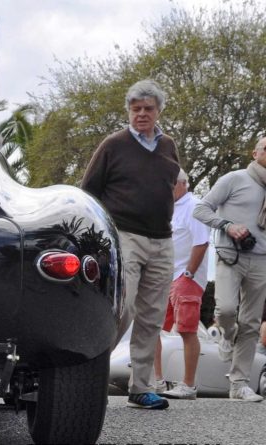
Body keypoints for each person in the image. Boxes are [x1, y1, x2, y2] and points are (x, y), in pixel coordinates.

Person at [81, 79, 181, 410]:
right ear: (128, 110)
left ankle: (141, 387)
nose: (141, 114)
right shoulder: (113, 144)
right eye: (135, 108)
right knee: (122, 309)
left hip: (162, 239)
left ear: (158, 111)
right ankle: (85, 376)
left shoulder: (168, 146)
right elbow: (88, 192)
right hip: (124, 236)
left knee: (153, 317)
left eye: (147, 108)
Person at [193, 136, 266, 402]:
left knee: (251, 322)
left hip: (262, 260)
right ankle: (226, 333)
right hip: (230, 255)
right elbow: (201, 209)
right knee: (225, 310)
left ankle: (239, 384)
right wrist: (227, 226)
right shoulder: (233, 179)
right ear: (254, 153)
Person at [153, 169, 209, 400]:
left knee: (187, 329)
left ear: (182, 184)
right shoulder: (169, 207)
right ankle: (156, 381)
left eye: (169, 184)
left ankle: (188, 384)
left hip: (186, 277)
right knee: (151, 327)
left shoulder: (195, 206)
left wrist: (189, 273)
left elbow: (202, 242)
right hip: (165, 275)